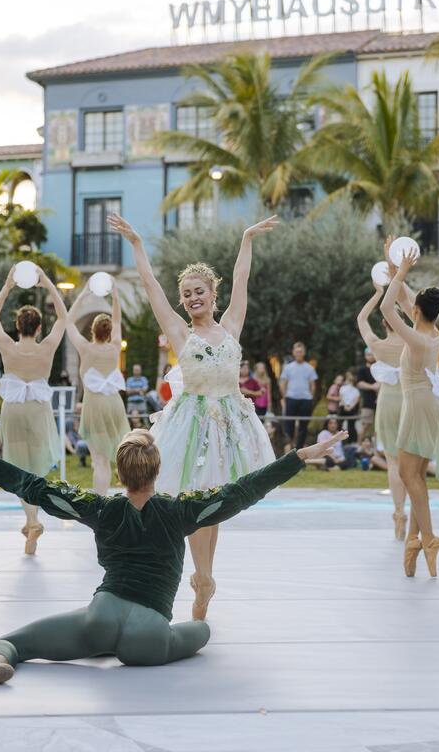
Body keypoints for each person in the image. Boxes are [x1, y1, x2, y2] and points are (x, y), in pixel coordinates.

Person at [0, 428, 344, 690]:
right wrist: (298, 457)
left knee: (10, 642)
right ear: (157, 470)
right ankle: (142, 637)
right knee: (201, 631)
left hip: (100, 617)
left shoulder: (100, 509)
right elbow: (239, 493)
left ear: (120, 472)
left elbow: (37, 489)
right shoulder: (179, 510)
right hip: (150, 634)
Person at [107, 212, 277, 620]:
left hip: (230, 424)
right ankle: (201, 578)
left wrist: (247, 238)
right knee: (197, 500)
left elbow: (242, 279)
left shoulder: (232, 325)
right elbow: (149, 286)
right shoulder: (181, 332)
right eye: (186, 293)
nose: (191, 297)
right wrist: (137, 245)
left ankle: (204, 576)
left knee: (214, 502)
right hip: (192, 423)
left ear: (212, 294)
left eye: (198, 290)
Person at [380, 248, 439, 577]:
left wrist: (400, 271)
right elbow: (401, 296)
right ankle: (414, 540)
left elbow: (388, 305)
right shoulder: (429, 332)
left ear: (416, 310)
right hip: (430, 405)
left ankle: (428, 536)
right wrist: (394, 265)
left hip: (419, 406)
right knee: (416, 478)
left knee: (407, 475)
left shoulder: (415, 338)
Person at [0, 265, 67, 555]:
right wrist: (47, 283)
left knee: (19, 465)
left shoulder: (8, 347)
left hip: (14, 410)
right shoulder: (46, 348)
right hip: (38, 410)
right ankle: (33, 520)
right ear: (38, 328)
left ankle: (31, 520)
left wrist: (8, 285)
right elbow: (63, 316)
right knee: (35, 467)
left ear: (18, 327)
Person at [65, 283, 130, 495]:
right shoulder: (114, 348)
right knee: (124, 457)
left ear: (92, 330)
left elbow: (68, 322)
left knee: (99, 462)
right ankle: (133, 499)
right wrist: (116, 297)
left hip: (94, 405)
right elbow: (118, 320)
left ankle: (100, 505)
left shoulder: (85, 348)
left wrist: (83, 295)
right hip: (114, 404)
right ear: (110, 332)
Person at [357, 281, 408, 540]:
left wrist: (378, 294)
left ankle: (398, 513)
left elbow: (361, 318)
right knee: (409, 461)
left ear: (385, 323)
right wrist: (399, 286)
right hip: (410, 401)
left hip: (388, 402)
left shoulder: (378, 346)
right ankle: (407, 510)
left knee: (393, 462)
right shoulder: (413, 342)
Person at [279, 342, 318, 451]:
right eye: (297, 351)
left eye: (301, 351)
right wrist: (285, 396)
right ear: (293, 352)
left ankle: (299, 449)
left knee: (303, 426)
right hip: (291, 399)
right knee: (289, 425)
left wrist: (310, 397)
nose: (299, 353)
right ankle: (289, 448)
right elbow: (283, 384)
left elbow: (313, 385)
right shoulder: (288, 368)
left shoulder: (310, 368)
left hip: (305, 400)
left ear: (304, 353)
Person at [356, 349, 379, 441]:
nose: (371, 356)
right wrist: (373, 387)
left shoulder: (380, 368)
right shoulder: (362, 370)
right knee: (365, 425)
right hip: (368, 401)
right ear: (365, 356)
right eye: (369, 354)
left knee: (379, 427)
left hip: (381, 401)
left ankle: (377, 449)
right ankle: (358, 447)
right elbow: (359, 383)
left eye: (373, 354)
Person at [339, 370, 361, 443]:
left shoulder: (356, 389)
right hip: (343, 407)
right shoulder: (343, 388)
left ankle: (351, 441)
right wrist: (345, 405)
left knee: (351, 426)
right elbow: (341, 397)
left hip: (352, 408)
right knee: (339, 424)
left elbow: (357, 399)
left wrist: (351, 407)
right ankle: (339, 440)